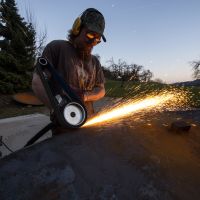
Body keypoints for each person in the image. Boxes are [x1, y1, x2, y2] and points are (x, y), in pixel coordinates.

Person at [32, 8, 106, 134]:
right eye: (90, 35)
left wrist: (85, 96)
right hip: (65, 126)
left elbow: (101, 90)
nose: (93, 42)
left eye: (97, 39)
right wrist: (59, 110)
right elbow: (37, 82)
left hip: (90, 124)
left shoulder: (95, 62)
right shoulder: (57, 48)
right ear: (77, 28)